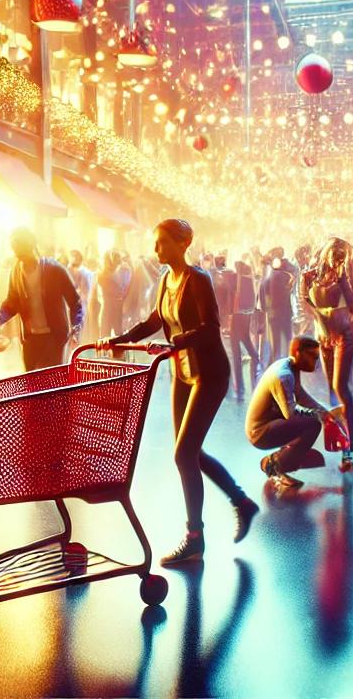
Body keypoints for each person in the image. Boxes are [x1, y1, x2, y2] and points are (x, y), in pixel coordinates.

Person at [105, 219, 258, 565]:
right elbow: (155, 320)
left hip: (209, 374)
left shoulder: (198, 279)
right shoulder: (164, 280)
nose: (155, 249)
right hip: (182, 373)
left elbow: (210, 327)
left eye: (161, 242)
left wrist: (177, 341)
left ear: (181, 244)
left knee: (183, 455)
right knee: (188, 452)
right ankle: (242, 502)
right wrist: (122, 339)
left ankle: (195, 538)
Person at [0, 227, 83, 371]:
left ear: (31, 245)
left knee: (50, 384)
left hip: (53, 338)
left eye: (21, 251)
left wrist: (76, 327)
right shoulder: (16, 272)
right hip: (30, 340)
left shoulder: (54, 270)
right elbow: (11, 304)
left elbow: (75, 302)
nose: (19, 257)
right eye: (15, 251)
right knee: (31, 385)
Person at [301, 238, 353, 473]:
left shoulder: (341, 275)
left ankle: (349, 450)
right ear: (326, 255)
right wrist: (319, 317)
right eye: (336, 258)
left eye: (342, 259)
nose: (339, 263)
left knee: (340, 387)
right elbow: (303, 300)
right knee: (332, 391)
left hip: (344, 335)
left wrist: (348, 284)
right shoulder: (309, 275)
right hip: (324, 338)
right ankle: (339, 441)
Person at [247, 335, 333, 491]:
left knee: (310, 420)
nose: (316, 361)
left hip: (269, 423)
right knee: (312, 425)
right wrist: (317, 415)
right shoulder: (284, 375)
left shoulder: (292, 366)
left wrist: (324, 412)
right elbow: (290, 413)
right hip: (260, 433)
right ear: (298, 353)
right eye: (313, 356)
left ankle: (285, 455)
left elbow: (300, 395)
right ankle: (273, 464)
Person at [228, 259, 262, 398]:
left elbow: (234, 301)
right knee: (247, 347)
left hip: (237, 318)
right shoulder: (249, 281)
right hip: (243, 317)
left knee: (237, 353)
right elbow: (252, 303)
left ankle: (240, 387)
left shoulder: (237, 279)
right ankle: (251, 381)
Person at [259, 250, 295, 365]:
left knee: (276, 344)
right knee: (287, 340)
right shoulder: (286, 275)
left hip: (274, 315)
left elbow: (262, 292)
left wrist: (265, 309)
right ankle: (289, 364)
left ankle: (273, 366)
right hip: (285, 313)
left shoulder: (268, 278)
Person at [91, 250, 130, 349]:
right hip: (116, 305)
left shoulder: (102, 275)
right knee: (116, 333)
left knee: (107, 333)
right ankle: (119, 355)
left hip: (108, 306)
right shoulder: (124, 271)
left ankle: (109, 356)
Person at [68, 249, 96, 337]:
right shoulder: (71, 270)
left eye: (74, 257)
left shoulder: (84, 272)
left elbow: (84, 288)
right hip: (77, 302)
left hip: (81, 302)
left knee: (80, 326)